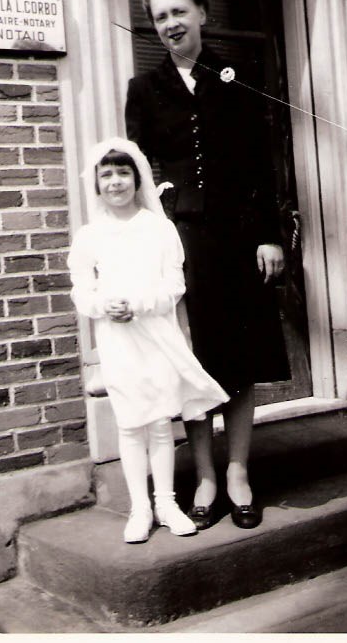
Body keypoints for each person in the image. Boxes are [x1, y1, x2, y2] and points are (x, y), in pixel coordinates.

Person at [125, 0, 290, 530]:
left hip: (239, 239)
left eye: (179, 12)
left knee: (239, 360)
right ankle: (206, 477)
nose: (171, 24)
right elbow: (137, 170)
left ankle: (239, 470)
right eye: (160, 17)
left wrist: (269, 233)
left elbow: (261, 162)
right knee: (190, 364)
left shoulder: (237, 74)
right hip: (181, 244)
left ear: (201, 15)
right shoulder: (143, 91)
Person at [68, 137, 229, 544]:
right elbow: (81, 290)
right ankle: (139, 507)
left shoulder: (158, 228)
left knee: (159, 421)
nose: (116, 182)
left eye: (123, 173)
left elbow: (174, 284)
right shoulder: (90, 235)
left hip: (156, 331)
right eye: (107, 175)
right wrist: (106, 305)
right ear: (97, 185)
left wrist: (139, 303)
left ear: (137, 178)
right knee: (130, 421)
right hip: (117, 335)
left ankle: (166, 501)